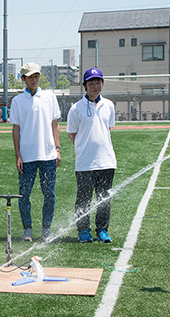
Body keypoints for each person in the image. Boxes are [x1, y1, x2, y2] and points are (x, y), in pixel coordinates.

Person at [9, 62, 62, 242]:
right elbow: (16, 129)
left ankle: (46, 229)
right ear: (23, 79)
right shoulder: (17, 101)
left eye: (37, 76)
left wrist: (57, 149)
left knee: (50, 194)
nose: (35, 79)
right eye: (31, 77)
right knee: (24, 194)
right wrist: (18, 155)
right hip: (27, 156)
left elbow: (55, 125)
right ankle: (28, 229)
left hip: (48, 155)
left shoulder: (49, 97)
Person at [66, 67, 117, 243]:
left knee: (104, 199)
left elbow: (108, 128)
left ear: (102, 84)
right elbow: (71, 133)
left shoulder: (109, 105)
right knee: (84, 199)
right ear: (84, 86)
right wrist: (84, 149)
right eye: (91, 83)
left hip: (106, 161)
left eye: (98, 82)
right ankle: (83, 230)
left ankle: (102, 230)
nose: (95, 86)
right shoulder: (76, 108)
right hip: (85, 163)